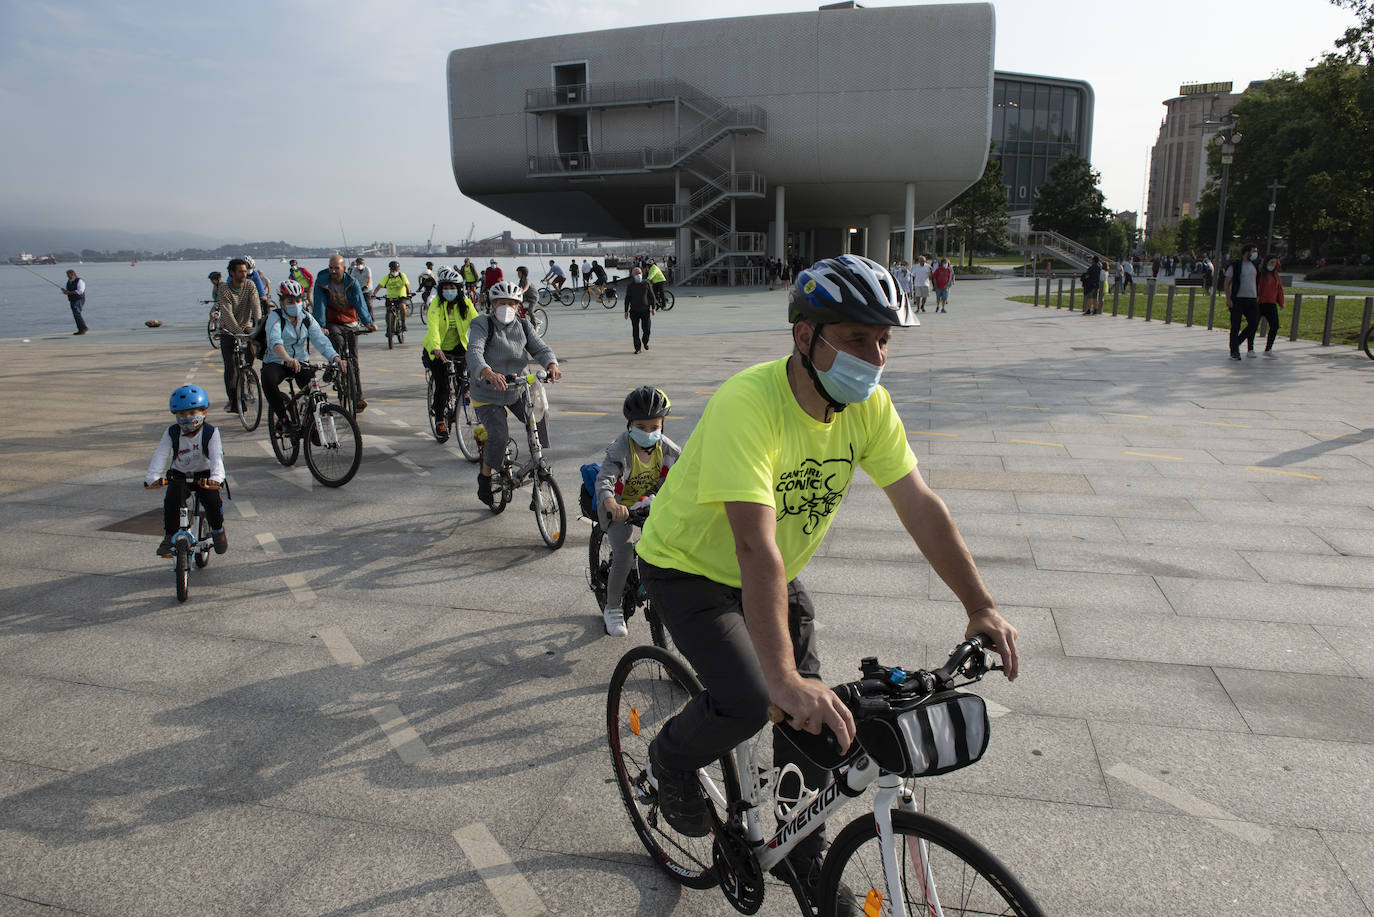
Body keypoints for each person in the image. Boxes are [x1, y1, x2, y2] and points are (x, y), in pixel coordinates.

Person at [633, 255, 1020, 908]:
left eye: (883, 339)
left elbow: (920, 505)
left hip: (771, 574)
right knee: (754, 696)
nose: (874, 356)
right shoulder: (748, 405)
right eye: (856, 338)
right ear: (805, 336)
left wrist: (979, 604)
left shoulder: (866, 409)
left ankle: (798, 845)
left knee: (818, 722)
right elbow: (755, 548)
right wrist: (780, 679)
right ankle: (671, 758)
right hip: (689, 567)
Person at [595, 386, 681, 636]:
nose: (648, 432)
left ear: (662, 424)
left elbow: (686, 474)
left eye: (654, 427)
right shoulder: (621, 449)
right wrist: (610, 502)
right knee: (623, 555)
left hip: (651, 505)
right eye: (641, 427)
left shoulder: (668, 450)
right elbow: (605, 479)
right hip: (620, 509)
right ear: (629, 425)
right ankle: (612, 607)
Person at [466, 280, 562, 506]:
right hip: (487, 393)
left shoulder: (523, 325)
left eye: (512, 303)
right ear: (492, 304)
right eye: (502, 303)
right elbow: (474, 351)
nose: (507, 307)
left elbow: (540, 348)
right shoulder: (482, 324)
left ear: (519, 306)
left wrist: (551, 364)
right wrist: (487, 372)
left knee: (539, 417)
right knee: (498, 436)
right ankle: (486, 476)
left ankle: (538, 467)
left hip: (517, 389)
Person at [145, 385, 228, 558]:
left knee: (212, 502)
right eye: (181, 415)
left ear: (204, 412)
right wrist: (153, 476)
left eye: (191, 413)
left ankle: (218, 529)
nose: (186, 418)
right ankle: (169, 536)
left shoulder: (211, 433)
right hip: (180, 475)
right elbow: (160, 454)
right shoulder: (172, 432)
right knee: (172, 500)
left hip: (205, 475)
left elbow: (216, 457)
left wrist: (216, 478)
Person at [261, 279, 344, 429]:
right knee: (268, 380)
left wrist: (336, 358)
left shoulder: (306, 318)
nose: (295, 303)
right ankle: (283, 419)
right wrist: (287, 358)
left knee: (314, 392)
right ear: (282, 301)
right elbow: (275, 342)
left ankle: (312, 426)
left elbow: (320, 340)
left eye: (298, 299)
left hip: (301, 363)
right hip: (277, 362)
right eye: (290, 300)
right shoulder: (275, 317)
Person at [312, 254, 376, 410]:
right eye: (331, 267)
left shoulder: (352, 283)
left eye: (336, 268)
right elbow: (319, 305)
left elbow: (359, 303)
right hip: (332, 321)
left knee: (353, 359)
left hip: (350, 321)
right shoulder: (321, 282)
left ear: (344, 269)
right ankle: (332, 366)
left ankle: (358, 397)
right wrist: (320, 325)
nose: (333, 271)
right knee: (338, 342)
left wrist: (368, 322)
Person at [422, 268, 477, 441]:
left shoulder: (465, 304)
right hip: (436, 350)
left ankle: (463, 394)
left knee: (467, 377)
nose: (448, 291)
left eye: (452, 287)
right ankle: (440, 420)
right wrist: (436, 348)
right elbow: (433, 328)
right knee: (443, 386)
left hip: (458, 347)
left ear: (459, 289)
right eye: (445, 287)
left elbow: (477, 322)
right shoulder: (436, 304)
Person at [215, 258, 263, 412]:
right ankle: (233, 400)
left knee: (251, 354)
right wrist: (238, 333)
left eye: (245, 271)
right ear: (232, 273)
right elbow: (227, 314)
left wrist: (259, 326)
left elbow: (256, 307)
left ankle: (249, 374)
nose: (244, 274)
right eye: (240, 271)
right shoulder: (224, 289)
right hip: (228, 330)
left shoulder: (250, 285)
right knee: (230, 365)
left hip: (245, 327)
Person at [1223, 244, 1261, 361]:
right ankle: (1234, 351)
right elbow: (1227, 282)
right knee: (1235, 325)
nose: (1255, 254)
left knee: (1254, 323)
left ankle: (1237, 342)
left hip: (1252, 299)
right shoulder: (1236, 265)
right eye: (1253, 251)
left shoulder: (1255, 265)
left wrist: (1258, 295)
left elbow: (1257, 281)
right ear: (1246, 252)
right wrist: (1228, 298)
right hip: (1238, 299)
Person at [1254, 255, 1285, 356]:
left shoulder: (1275, 275)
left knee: (1275, 326)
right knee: (1253, 326)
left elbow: (1279, 289)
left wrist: (1281, 302)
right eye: (1271, 262)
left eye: (1274, 263)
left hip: (1271, 304)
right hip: (1260, 303)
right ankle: (1250, 348)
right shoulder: (1260, 274)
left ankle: (1268, 349)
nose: (1273, 265)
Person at [372, 260, 412, 332]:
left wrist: (409, 293)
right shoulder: (387, 277)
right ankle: (389, 327)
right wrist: (374, 294)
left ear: (398, 269)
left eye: (396, 269)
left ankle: (403, 323)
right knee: (388, 311)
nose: (394, 270)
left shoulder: (402, 276)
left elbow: (407, 285)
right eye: (392, 269)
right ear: (390, 269)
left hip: (401, 297)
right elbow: (379, 286)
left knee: (402, 306)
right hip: (390, 297)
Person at [623, 265, 656, 353]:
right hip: (634, 311)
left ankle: (645, 341)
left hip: (645, 310)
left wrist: (653, 308)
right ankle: (637, 348)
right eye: (636, 273)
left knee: (647, 329)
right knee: (635, 330)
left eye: (640, 273)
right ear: (633, 275)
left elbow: (652, 296)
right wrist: (626, 311)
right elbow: (627, 299)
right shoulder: (630, 286)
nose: (638, 275)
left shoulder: (646, 283)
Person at [62, 269, 88, 335]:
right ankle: (80, 329)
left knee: (77, 313)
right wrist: (65, 292)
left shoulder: (79, 281)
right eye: (67, 275)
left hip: (79, 299)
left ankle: (83, 328)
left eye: (69, 275)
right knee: (75, 314)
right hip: (72, 300)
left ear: (73, 274)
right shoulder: (69, 282)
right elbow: (68, 292)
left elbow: (80, 291)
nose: (68, 277)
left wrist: (69, 292)